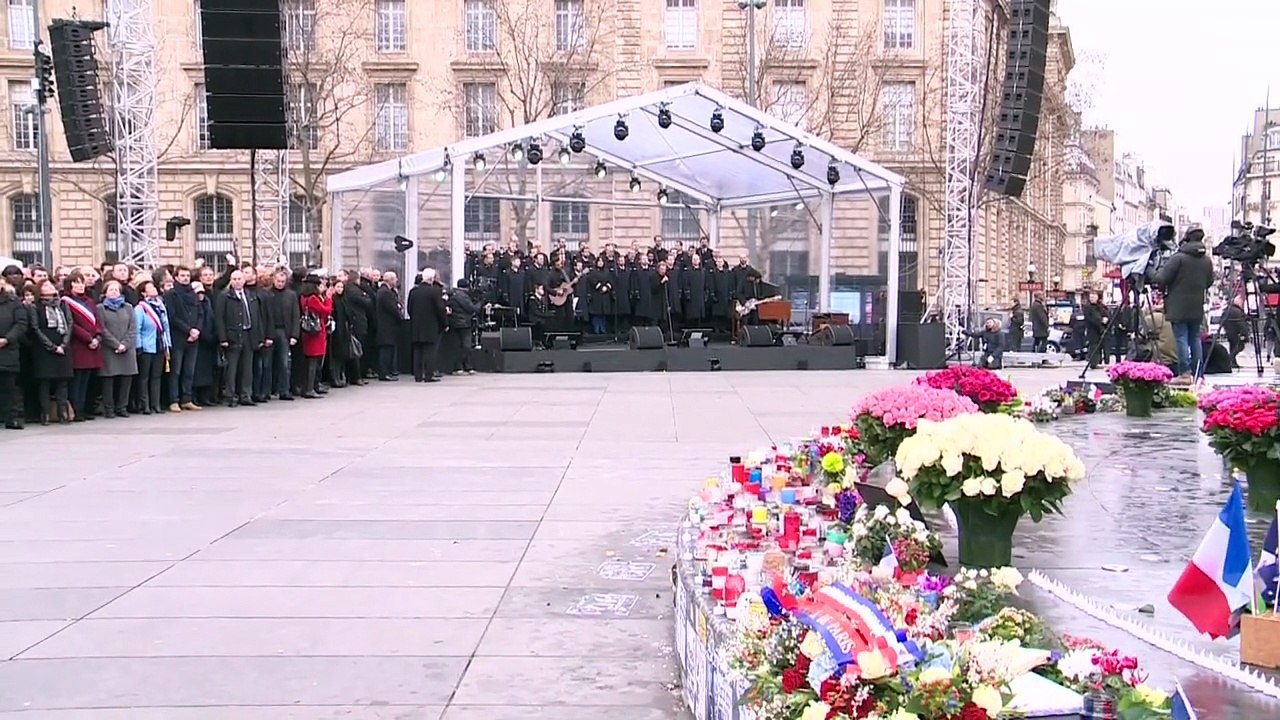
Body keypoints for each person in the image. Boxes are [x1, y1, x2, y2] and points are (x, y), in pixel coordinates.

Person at [1154, 228, 1216, 379]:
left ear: (1186, 239)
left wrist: (1150, 273)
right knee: (1195, 338)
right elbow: (1209, 281)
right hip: (1197, 305)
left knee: (1181, 338)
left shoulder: (1179, 258)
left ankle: (1184, 373)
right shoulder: (1207, 260)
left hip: (1178, 305)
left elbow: (1162, 278)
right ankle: (1198, 373)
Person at [214, 268, 264, 407]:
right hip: (233, 335)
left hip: (249, 334)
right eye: (234, 279)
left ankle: (245, 395)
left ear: (244, 280)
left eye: (239, 279)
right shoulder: (225, 296)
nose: (237, 282)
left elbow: (257, 317)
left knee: (247, 367)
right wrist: (223, 338)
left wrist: (259, 337)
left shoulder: (250, 295)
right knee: (232, 368)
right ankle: (231, 395)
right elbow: (219, 318)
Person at [30, 279, 72, 424]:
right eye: (45, 286)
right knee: (45, 382)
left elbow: (69, 324)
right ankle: (45, 413)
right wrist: (52, 347)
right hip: (44, 348)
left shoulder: (62, 304)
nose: (49, 287)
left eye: (50, 285)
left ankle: (63, 412)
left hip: (63, 345)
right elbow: (35, 328)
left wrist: (63, 344)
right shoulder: (35, 307)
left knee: (62, 381)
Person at [63, 270, 102, 421]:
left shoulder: (89, 301)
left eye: (81, 282)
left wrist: (98, 336)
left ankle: (83, 408)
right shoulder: (66, 301)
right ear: (70, 285)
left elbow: (97, 321)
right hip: (78, 344)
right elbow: (72, 324)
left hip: (92, 344)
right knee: (77, 380)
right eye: (76, 282)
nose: (80, 286)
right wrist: (88, 338)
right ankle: (75, 409)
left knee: (86, 379)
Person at [95, 280, 138, 418]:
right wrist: (116, 344)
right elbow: (102, 329)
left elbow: (133, 328)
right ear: (105, 292)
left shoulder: (128, 308)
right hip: (109, 349)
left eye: (116, 289)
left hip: (127, 348)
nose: (114, 292)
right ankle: (109, 408)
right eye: (111, 289)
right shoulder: (100, 308)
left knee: (126, 378)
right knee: (109, 379)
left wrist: (125, 344)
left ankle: (122, 407)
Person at [163, 265, 202, 410]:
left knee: (189, 370)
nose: (185, 278)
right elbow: (172, 317)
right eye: (182, 276)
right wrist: (189, 330)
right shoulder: (171, 294)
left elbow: (200, 313)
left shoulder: (193, 294)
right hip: (178, 337)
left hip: (194, 338)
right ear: (176, 277)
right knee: (176, 371)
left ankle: (187, 398)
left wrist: (197, 329)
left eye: (187, 275)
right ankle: (174, 400)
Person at [134, 280, 171, 415]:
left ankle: (156, 404)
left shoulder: (160, 306)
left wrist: (168, 344)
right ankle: (145, 405)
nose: (154, 289)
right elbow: (137, 328)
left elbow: (165, 327)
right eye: (150, 288)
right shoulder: (141, 308)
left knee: (157, 376)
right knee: (144, 377)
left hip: (160, 345)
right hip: (146, 346)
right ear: (143, 293)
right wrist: (138, 346)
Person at [406, 268, 448, 382]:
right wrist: (444, 323)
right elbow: (440, 309)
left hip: (416, 325)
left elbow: (409, 308)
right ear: (432, 279)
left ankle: (418, 376)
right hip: (431, 325)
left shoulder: (413, 291)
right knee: (430, 350)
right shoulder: (434, 292)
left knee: (418, 350)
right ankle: (429, 375)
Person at [0, 275, 28, 429]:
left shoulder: (13, 302)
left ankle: (11, 418)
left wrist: (7, 339)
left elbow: (21, 323)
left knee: (9, 386)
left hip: (8, 349)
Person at [298, 274, 333, 398]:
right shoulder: (313, 298)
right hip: (315, 331)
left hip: (309, 331)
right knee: (313, 361)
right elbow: (325, 310)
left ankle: (312, 386)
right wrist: (328, 299)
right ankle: (309, 388)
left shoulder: (304, 297)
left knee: (312, 360)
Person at [374, 271, 402, 381]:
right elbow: (392, 309)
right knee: (386, 350)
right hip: (386, 325)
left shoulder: (385, 291)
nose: (396, 281)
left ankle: (387, 372)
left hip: (386, 325)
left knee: (388, 349)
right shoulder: (385, 293)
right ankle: (384, 373)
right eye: (394, 279)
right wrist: (399, 313)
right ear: (390, 280)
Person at [1083, 292, 1106, 369]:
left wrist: (1105, 319)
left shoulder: (1100, 306)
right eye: (1091, 297)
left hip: (1100, 329)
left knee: (1099, 346)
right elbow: (1090, 319)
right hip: (1092, 329)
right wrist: (1100, 321)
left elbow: (1105, 314)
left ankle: (1098, 361)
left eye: (1094, 297)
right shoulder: (1087, 307)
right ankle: (1093, 362)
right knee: (1093, 346)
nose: (1092, 298)